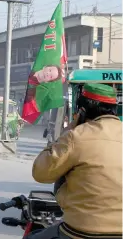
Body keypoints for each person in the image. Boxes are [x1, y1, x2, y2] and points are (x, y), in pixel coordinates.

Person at [28, 83, 122, 239]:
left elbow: (40, 173)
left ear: (82, 111)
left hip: (81, 231)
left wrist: (65, 133)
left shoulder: (76, 136)